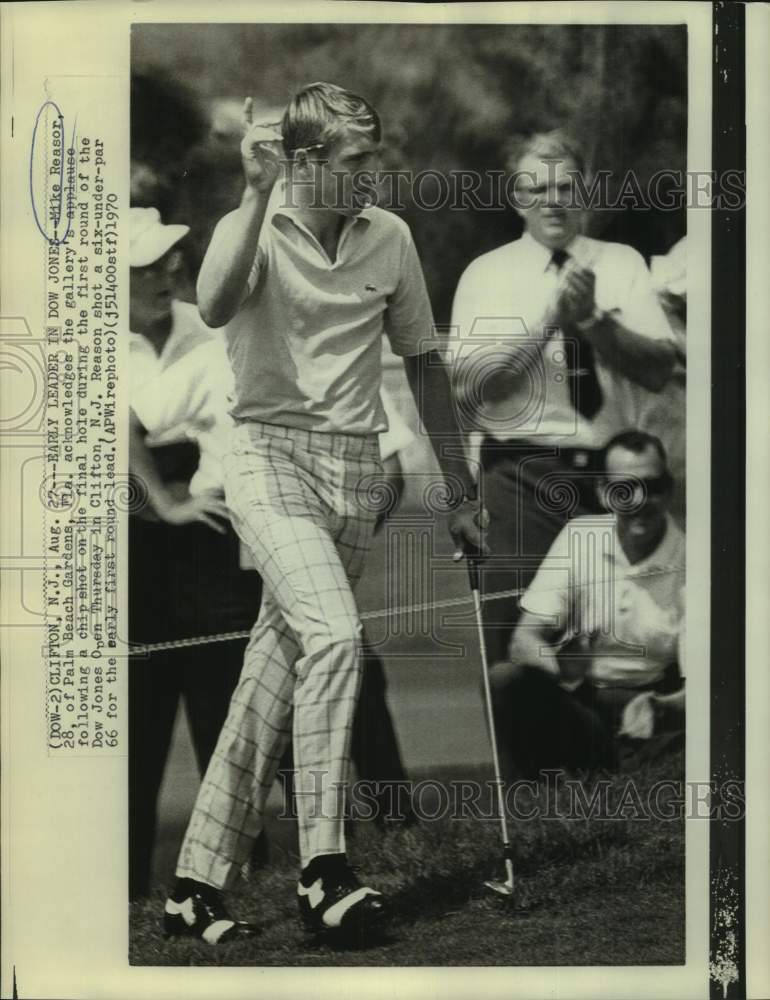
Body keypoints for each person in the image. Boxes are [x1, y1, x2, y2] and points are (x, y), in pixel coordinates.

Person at [163, 82, 485, 945]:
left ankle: (193, 883)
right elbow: (217, 303)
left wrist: (459, 491)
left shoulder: (393, 238)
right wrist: (252, 192)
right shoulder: (255, 222)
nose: (373, 174)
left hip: (355, 476)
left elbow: (422, 365)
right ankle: (325, 868)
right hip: (265, 461)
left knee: (270, 677)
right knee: (337, 638)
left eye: (375, 155)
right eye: (356, 160)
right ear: (307, 161)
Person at [451, 130, 678, 666]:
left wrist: (595, 322)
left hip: (614, 474)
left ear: (587, 191)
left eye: (565, 186)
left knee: (614, 636)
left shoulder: (621, 263)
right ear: (516, 200)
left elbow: (658, 369)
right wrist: (550, 320)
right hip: (520, 477)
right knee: (516, 643)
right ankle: (526, 753)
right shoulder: (488, 274)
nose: (553, 201)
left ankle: (611, 746)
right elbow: (471, 390)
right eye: (537, 189)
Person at [128, 207, 262, 900]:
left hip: (201, 548)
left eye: (169, 260)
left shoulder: (197, 324)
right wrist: (161, 501)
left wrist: (178, 505)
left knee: (222, 706)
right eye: (146, 266)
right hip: (121, 557)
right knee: (135, 729)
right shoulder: (84, 338)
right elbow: (118, 434)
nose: (168, 273)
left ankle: (244, 876)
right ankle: (123, 897)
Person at [489, 430, 685, 780]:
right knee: (506, 680)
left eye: (652, 487)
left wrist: (661, 709)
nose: (640, 500)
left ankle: (632, 774)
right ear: (603, 493)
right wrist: (563, 674)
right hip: (584, 700)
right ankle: (534, 804)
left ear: (669, 490)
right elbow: (525, 638)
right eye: (625, 489)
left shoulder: (694, 558)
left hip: (655, 705)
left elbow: (707, 683)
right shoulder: (580, 536)